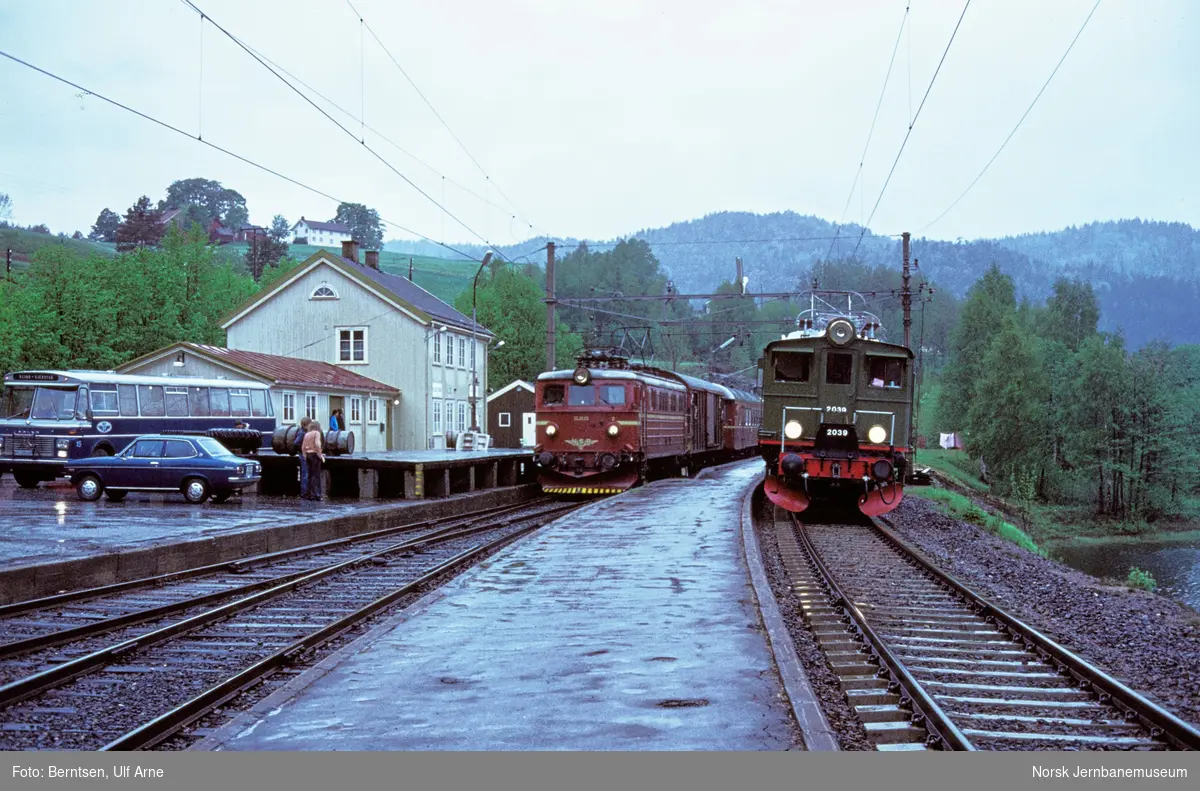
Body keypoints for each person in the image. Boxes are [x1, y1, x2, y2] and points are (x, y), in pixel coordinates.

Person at [301, 420, 326, 500]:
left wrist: (305, 455)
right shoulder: (317, 433)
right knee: (316, 476)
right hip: (315, 455)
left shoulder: (307, 434)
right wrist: (320, 455)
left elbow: (303, 446)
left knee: (310, 476)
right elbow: (317, 444)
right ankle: (317, 495)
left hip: (308, 455)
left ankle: (309, 494)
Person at [294, 416, 312, 498]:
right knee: (305, 474)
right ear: (306, 425)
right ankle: (304, 493)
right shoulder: (302, 433)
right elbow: (296, 443)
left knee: (305, 473)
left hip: (303, 454)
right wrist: (302, 449)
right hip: (303, 455)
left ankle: (305, 492)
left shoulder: (303, 432)